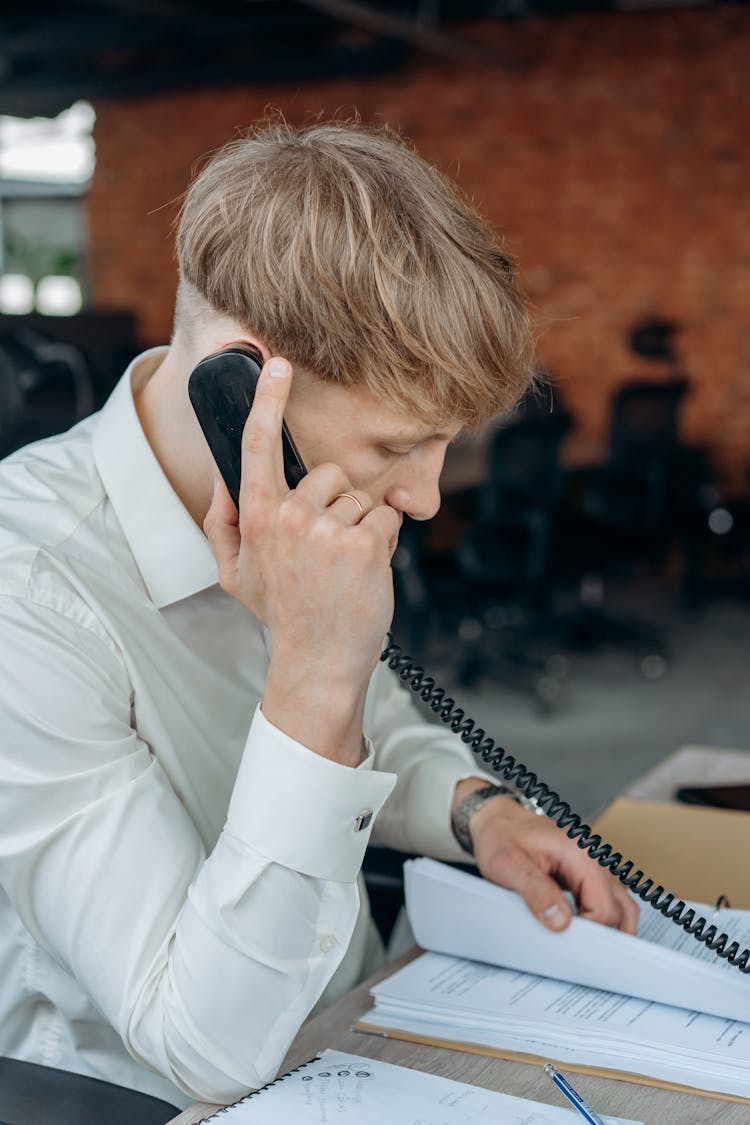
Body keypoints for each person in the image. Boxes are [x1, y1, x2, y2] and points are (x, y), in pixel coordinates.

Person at [0, 120, 637, 1109]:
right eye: (398, 445)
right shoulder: (26, 588)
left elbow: (374, 720)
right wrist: (311, 665)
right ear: (241, 385)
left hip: (367, 1030)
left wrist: (474, 812)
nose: (425, 499)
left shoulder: (297, 514)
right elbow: (201, 1044)